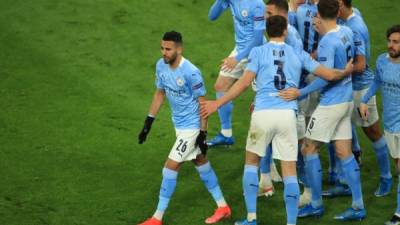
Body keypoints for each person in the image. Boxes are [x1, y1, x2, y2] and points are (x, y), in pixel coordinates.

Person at [201, 15, 352, 225]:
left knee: (251, 163)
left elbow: (243, 83)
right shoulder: (296, 53)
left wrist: (217, 103)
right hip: (287, 116)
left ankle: (252, 218)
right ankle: (291, 223)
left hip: (262, 115)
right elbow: (327, 74)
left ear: (266, 32)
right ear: (285, 32)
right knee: (289, 170)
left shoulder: (258, 52)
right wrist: (345, 71)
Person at [279, 0, 366, 221]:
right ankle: (358, 206)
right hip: (346, 100)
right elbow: (348, 64)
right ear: (337, 12)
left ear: (317, 13)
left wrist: (301, 92)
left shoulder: (327, 42)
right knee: (344, 152)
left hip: (331, 104)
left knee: (308, 149)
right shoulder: (346, 31)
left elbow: (324, 78)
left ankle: (315, 204)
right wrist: (342, 71)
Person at [137, 31, 231, 225]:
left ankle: (157, 218)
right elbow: (159, 94)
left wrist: (202, 134)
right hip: (178, 125)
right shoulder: (160, 66)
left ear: (179, 49)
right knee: (200, 162)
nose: (164, 52)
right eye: (162, 48)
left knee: (170, 167)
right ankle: (223, 207)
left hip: (192, 127)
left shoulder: (191, 72)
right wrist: (148, 122)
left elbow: (202, 104)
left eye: (168, 49)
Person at [323, 0, 392, 198]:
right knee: (341, 130)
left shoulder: (356, 27)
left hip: (361, 87)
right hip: (346, 86)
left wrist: (335, 72)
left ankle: (386, 177)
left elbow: (361, 65)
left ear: (341, 5)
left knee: (372, 131)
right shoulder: (347, 18)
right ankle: (345, 181)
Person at [206, 0, 266, 147]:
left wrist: (237, 59)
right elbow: (211, 16)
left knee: (263, 97)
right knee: (221, 86)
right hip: (239, 49)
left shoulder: (257, 4)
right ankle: (226, 134)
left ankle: (264, 145)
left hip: (256, 52)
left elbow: (258, 39)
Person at [359, 24, 400, 225]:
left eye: (396, 42)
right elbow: (376, 81)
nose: (391, 45)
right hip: (390, 124)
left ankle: (398, 215)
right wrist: (364, 100)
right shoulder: (382, 61)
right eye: (390, 41)